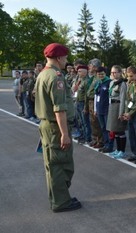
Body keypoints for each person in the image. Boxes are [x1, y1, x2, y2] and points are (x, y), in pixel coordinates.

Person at [35, 43, 81, 212]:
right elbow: (59, 108)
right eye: (65, 57)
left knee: (53, 165)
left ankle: (59, 198)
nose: (67, 61)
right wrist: (64, 134)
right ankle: (61, 202)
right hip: (56, 128)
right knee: (62, 165)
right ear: (59, 57)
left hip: (47, 126)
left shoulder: (43, 74)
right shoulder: (56, 77)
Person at [107, 65, 127, 159]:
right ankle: (118, 149)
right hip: (112, 107)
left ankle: (122, 151)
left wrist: (121, 113)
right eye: (112, 72)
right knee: (114, 130)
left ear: (120, 73)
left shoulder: (122, 84)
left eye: (115, 72)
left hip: (118, 106)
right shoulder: (112, 83)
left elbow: (123, 99)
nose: (114, 74)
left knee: (120, 130)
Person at [94, 66, 114, 153]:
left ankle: (110, 145)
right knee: (103, 128)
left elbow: (111, 96)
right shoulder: (98, 83)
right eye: (99, 74)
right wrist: (95, 109)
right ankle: (106, 144)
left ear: (105, 74)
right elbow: (96, 96)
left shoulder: (109, 82)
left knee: (108, 128)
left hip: (107, 109)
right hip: (99, 109)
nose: (101, 75)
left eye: (102, 74)